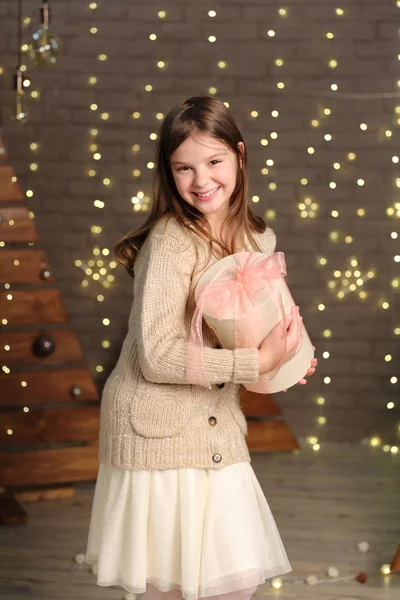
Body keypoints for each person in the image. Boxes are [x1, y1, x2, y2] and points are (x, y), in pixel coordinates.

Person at [85, 96, 317, 600]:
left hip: (216, 427)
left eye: (214, 161)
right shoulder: (171, 240)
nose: (201, 180)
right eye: (183, 168)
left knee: (233, 582)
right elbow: (159, 355)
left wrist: (285, 357)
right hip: (155, 430)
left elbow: (257, 341)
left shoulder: (259, 239)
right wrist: (256, 360)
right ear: (169, 174)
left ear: (239, 156)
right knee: (171, 586)